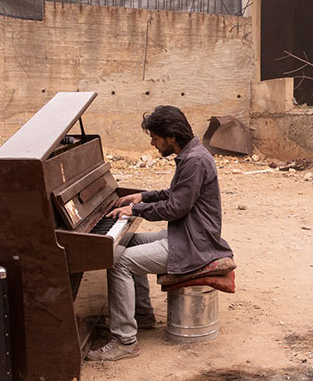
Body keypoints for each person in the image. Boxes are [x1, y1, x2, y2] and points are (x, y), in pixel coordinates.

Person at [86, 105, 235, 361]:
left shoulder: (195, 160)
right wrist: (143, 196)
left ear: (171, 137)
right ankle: (142, 315)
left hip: (194, 245)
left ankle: (125, 341)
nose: (153, 144)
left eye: (155, 138)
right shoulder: (191, 155)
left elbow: (176, 207)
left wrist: (136, 210)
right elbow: (175, 194)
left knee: (118, 261)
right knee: (127, 241)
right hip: (188, 235)